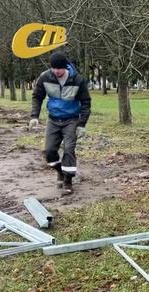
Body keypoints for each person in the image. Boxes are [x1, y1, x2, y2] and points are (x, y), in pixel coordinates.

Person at [30, 52, 91, 195]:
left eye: (59, 68)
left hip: (71, 120)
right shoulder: (45, 77)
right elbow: (37, 97)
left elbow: (86, 102)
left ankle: (68, 180)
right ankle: (60, 171)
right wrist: (34, 116)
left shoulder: (77, 80)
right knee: (49, 151)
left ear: (65, 67)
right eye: (53, 68)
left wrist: (82, 124)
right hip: (53, 119)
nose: (56, 71)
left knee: (69, 149)